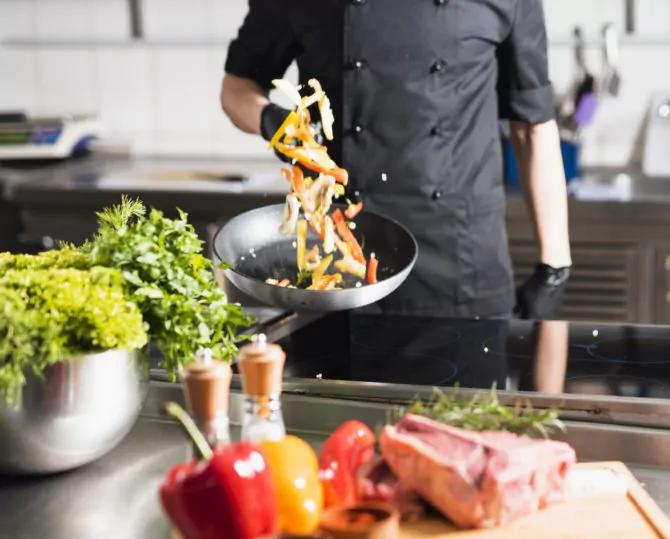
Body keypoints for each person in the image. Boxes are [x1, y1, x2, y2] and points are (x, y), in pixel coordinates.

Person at [220, 0, 572, 320]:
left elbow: (533, 125)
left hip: (462, 270)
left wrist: (554, 267)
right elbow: (236, 89)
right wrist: (283, 127)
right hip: (337, 269)